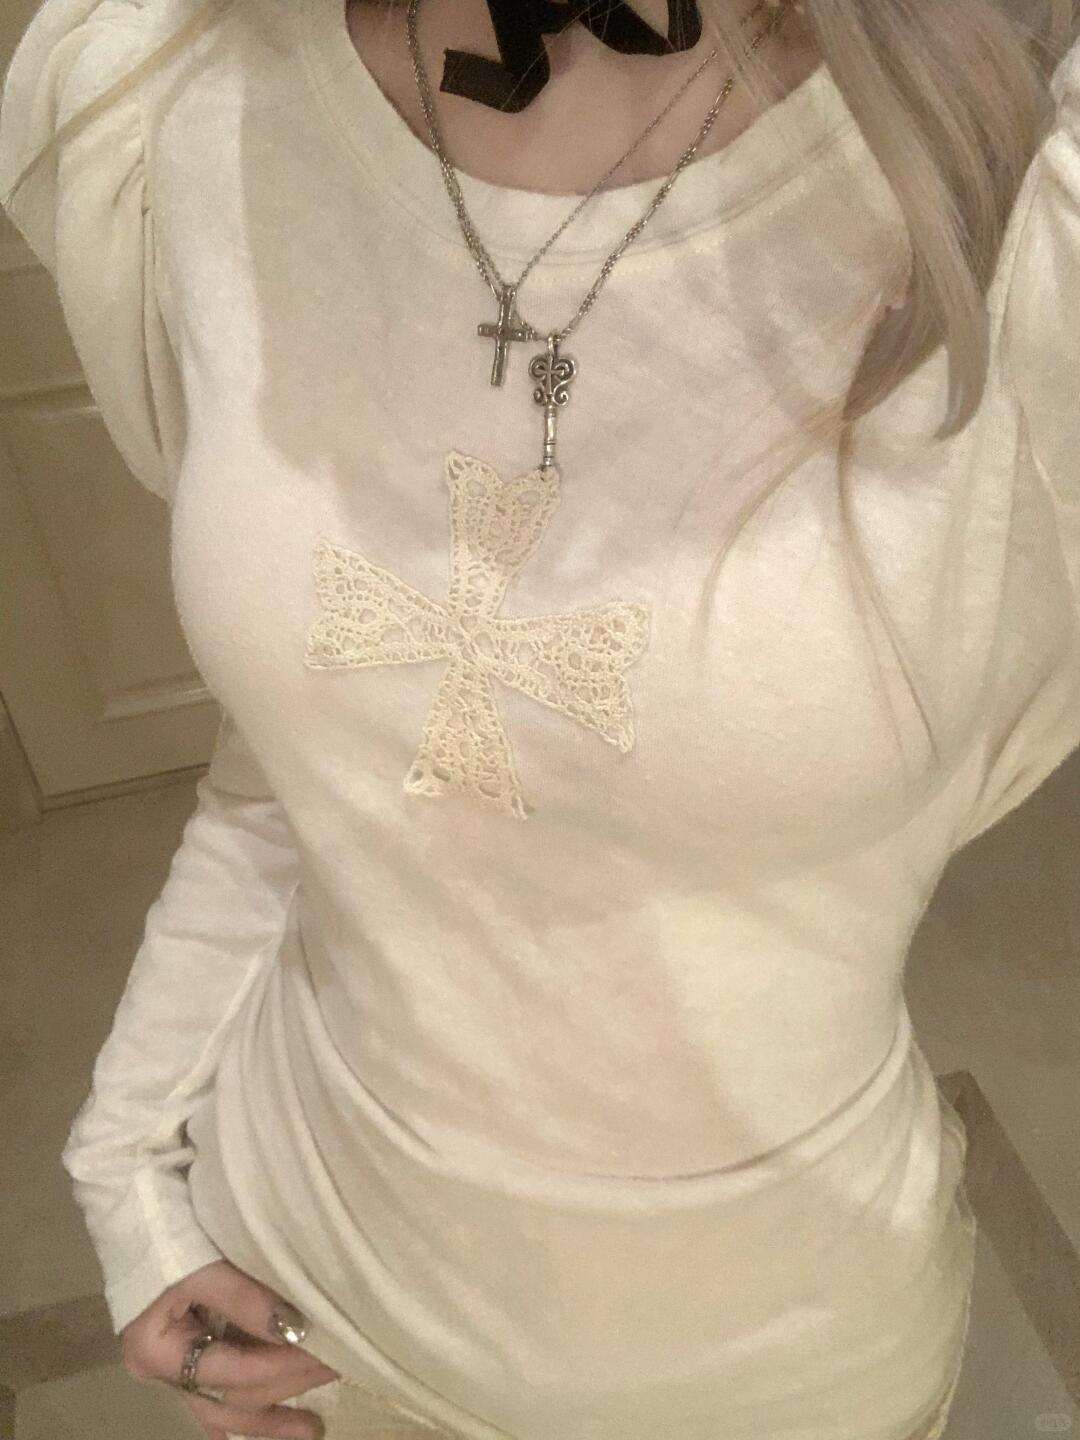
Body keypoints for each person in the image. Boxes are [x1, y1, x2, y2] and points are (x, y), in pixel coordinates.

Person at [1, 0, 1078, 1436]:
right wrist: (129, 1175)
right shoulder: (183, 94)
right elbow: (299, 776)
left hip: (775, 1368)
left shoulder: (1022, 191)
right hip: (310, 1287)